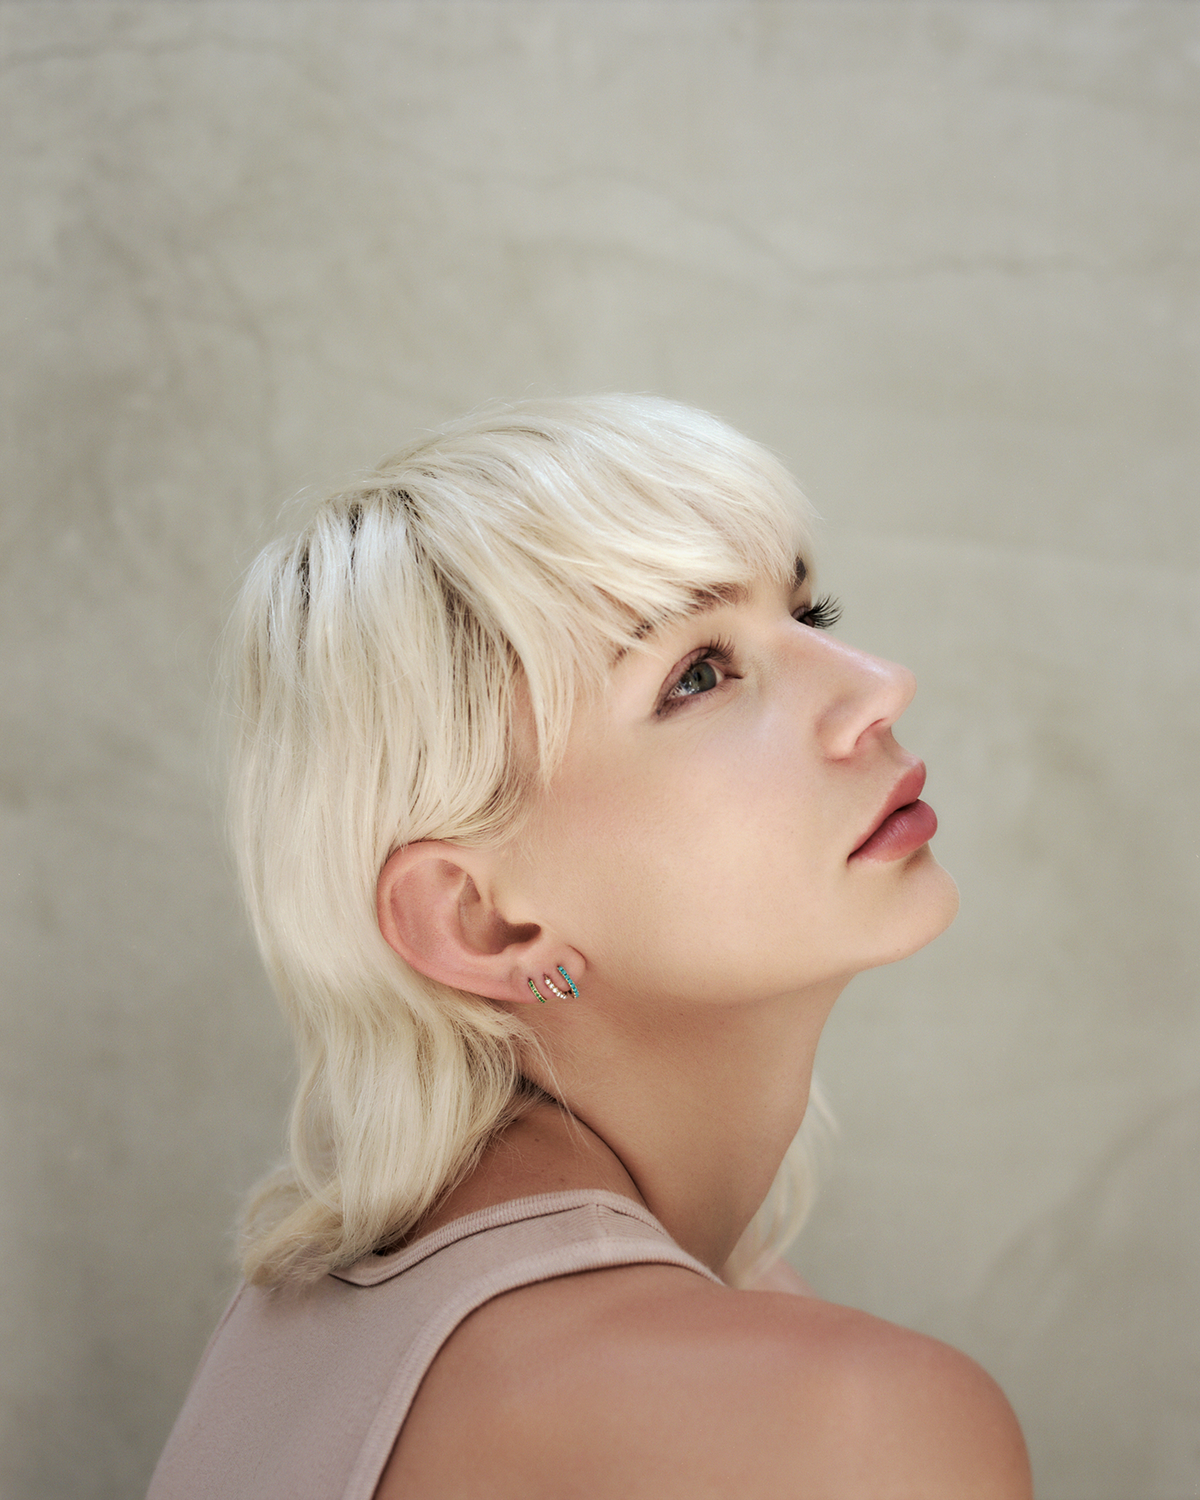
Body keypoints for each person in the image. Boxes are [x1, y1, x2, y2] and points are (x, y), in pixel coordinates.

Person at [149, 395, 1032, 1499]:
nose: (878, 685)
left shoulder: (317, 1315)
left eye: (810, 612)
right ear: (483, 921)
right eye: (697, 675)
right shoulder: (843, 1423)